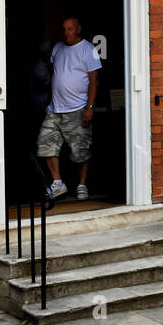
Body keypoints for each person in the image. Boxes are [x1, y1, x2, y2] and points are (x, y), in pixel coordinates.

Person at [36, 17, 101, 201]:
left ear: (78, 29)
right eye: (64, 29)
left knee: (81, 151)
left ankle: (82, 185)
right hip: (54, 108)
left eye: (70, 29)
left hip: (78, 108)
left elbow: (95, 80)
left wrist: (90, 107)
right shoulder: (57, 48)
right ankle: (58, 183)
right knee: (45, 144)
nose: (66, 33)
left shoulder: (88, 49)